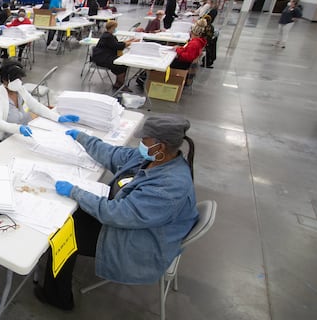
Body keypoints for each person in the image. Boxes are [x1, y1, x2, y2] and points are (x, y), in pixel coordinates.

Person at [34, 115, 198, 311]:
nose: (140, 143)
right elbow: (112, 154)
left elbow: (118, 214)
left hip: (139, 239)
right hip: (127, 219)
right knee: (69, 218)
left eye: (144, 140)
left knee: (64, 235)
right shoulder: (150, 158)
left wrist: (74, 191)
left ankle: (57, 297)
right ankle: (57, 276)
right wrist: (82, 138)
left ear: (160, 146)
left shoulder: (170, 186)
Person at [0, 61, 79, 151]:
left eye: (19, 78)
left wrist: (57, 117)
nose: (18, 82)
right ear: (4, 80)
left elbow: (35, 106)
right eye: (14, 79)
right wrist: (18, 129)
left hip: (18, 137)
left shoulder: (20, 89)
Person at [92, 20, 137, 90]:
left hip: (104, 56)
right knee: (122, 65)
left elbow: (117, 43)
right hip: (102, 58)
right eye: (115, 27)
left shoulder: (108, 35)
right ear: (112, 27)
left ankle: (118, 83)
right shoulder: (108, 37)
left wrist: (130, 41)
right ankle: (120, 84)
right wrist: (131, 42)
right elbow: (117, 46)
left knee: (120, 64)